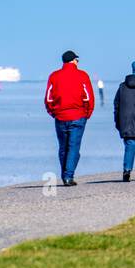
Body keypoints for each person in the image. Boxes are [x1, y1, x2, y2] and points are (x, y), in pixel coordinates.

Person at [45, 50, 94, 185]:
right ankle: (68, 176)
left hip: (60, 117)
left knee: (63, 147)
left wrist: (53, 112)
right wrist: (87, 113)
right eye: (77, 60)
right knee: (73, 147)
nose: (78, 62)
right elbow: (89, 97)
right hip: (78, 116)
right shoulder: (82, 75)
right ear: (73, 60)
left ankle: (65, 175)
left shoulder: (54, 76)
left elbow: (49, 98)